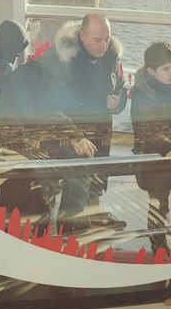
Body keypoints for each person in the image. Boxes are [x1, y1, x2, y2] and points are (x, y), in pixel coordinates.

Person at [23, 13, 128, 229]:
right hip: (63, 135)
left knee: (92, 188)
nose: (104, 45)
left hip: (98, 134)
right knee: (77, 185)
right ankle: (71, 232)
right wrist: (75, 137)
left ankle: (83, 223)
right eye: (97, 39)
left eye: (107, 39)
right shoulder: (60, 62)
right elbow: (49, 109)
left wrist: (117, 102)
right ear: (81, 35)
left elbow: (120, 88)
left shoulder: (111, 57)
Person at [131, 42, 171, 237]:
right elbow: (147, 130)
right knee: (159, 203)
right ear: (151, 71)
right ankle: (158, 243)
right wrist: (168, 148)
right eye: (166, 69)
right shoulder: (142, 96)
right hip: (152, 161)